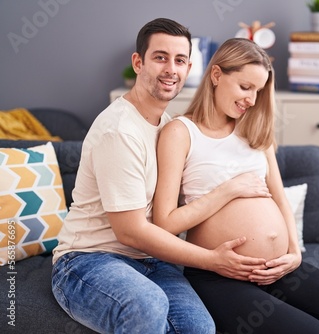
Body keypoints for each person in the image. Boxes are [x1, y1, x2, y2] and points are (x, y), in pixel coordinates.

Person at [51, 18, 268, 334]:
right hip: (88, 261)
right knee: (147, 305)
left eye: (179, 60)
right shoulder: (120, 131)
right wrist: (212, 260)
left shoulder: (169, 126)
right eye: (160, 57)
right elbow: (132, 232)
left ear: (189, 67)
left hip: (152, 261)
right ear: (138, 63)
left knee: (199, 329)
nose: (171, 69)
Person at [154, 38, 319, 334]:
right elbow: (164, 223)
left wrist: (294, 254)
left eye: (258, 91)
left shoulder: (254, 130)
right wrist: (228, 190)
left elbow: (280, 200)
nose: (252, 100)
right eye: (246, 87)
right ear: (216, 75)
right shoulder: (180, 132)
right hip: (219, 273)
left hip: (277, 269)